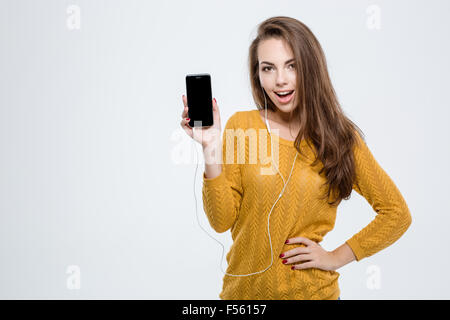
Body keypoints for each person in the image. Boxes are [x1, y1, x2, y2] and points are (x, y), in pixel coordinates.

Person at [179, 16, 412, 300]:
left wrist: (336, 257)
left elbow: (396, 213)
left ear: (311, 68)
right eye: (268, 68)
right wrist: (210, 148)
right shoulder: (243, 126)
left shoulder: (340, 136)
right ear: (258, 75)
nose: (280, 80)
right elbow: (221, 221)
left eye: (292, 66)